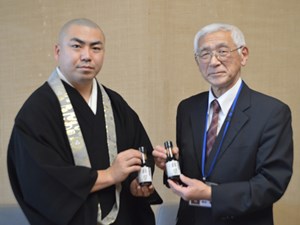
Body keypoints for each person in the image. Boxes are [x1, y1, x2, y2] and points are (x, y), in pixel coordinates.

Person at [7, 18, 161, 225]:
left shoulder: (116, 104)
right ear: (57, 51)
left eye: (96, 48)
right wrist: (109, 175)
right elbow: (40, 181)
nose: (87, 56)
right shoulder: (37, 111)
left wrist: (137, 183)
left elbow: (141, 153)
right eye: (77, 46)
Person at [153, 23, 293, 225]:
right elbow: (194, 173)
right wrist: (170, 167)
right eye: (205, 54)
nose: (214, 61)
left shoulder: (272, 112)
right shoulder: (187, 108)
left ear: (243, 55)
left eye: (222, 51)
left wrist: (212, 194)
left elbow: (271, 184)